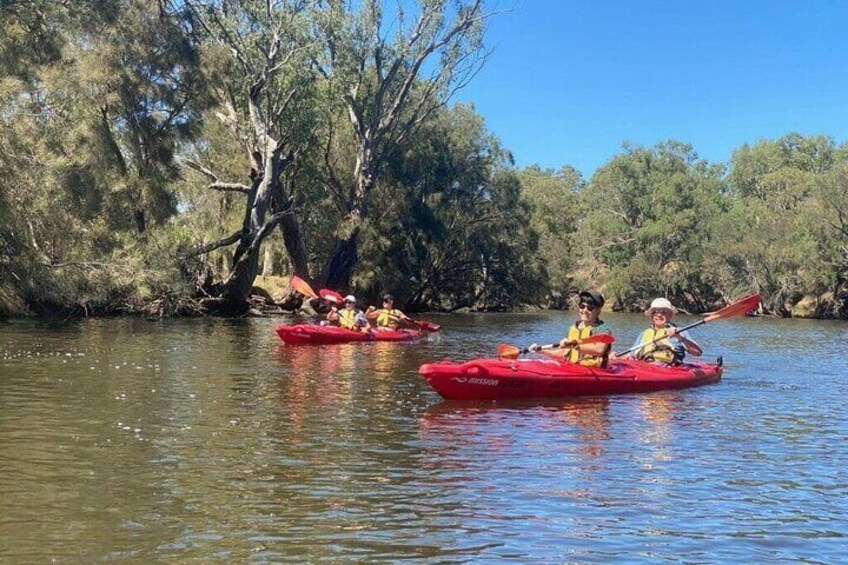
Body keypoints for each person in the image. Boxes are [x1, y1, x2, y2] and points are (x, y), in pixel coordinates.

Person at [530, 290, 612, 367]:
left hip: (596, 372)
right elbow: (563, 353)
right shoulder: (572, 329)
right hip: (574, 369)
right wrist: (541, 351)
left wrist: (573, 344)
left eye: (590, 308)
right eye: (582, 306)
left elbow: (599, 350)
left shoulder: (603, 330)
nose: (585, 310)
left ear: (598, 310)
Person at [623, 297, 702, 365]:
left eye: (663, 312)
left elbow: (698, 353)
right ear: (651, 315)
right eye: (655, 312)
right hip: (644, 367)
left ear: (670, 315)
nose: (659, 315)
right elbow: (631, 355)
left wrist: (680, 338)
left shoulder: (679, 331)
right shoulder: (644, 333)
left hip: (668, 369)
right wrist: (614, 358)